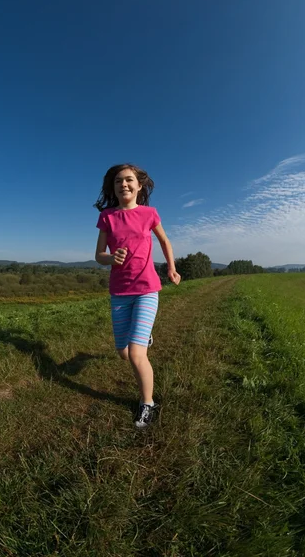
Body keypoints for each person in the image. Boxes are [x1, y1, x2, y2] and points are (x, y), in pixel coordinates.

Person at [94, 163, 181, 429]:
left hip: (147, 289)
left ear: (139, 186)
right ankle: (145, 337)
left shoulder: (149, 213)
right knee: (123, 351)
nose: (124, 184)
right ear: (113, 187)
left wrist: (172, 269)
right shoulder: (107, 217)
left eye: (129, 180)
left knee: (135, 354)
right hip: (119, 292)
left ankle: (147, 404)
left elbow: (165, 241)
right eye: (118, 181)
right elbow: (99, 255)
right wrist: (111, 257)